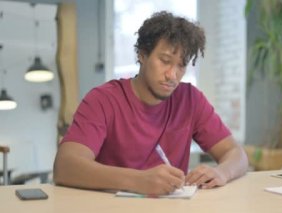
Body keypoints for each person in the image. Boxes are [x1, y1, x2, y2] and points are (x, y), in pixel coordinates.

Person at [53, 11, 248, 195]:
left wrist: (221, 173)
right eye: (165, 60)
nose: (172, 75)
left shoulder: (190, 99)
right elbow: (65, 166)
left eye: (181, 65)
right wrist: (138, 181)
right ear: (142, 54)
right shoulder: (103, 100)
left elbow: (236, 154)